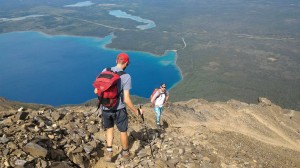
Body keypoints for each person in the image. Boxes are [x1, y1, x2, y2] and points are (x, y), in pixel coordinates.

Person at [100, 52, 142, 162]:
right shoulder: (126, 76)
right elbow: (126, 99)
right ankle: (125, 153)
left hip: (105, 108)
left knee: (109, 128)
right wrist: (135, 111)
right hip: (119, 109)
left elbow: (98, 89)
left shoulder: (105, 70)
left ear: (116, 60)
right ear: (127, 63)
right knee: (123, 131)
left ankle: (109, 153)